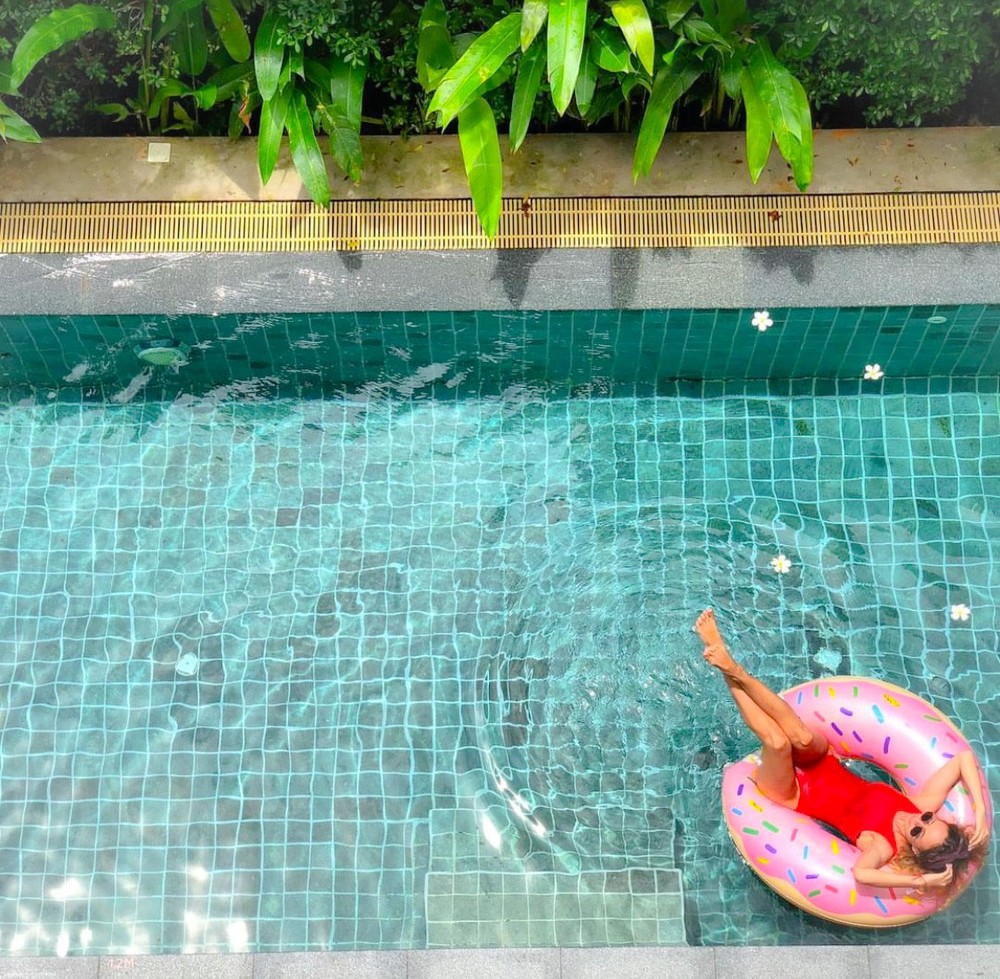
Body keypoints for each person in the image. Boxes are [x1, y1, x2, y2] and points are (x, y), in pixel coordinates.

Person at [695, 608, 990, 897]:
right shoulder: (918, 805)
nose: (916, 821)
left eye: (917, 832)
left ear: (913, 849)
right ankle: (733, 668)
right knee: (800, 736)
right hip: (823, 763)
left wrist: (922, 882)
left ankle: (728, 667)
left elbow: (862, 874)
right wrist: (978, 809)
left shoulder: (884, 846)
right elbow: (963, 760)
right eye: (928, 819)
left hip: (793, 793)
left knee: (778, 743)